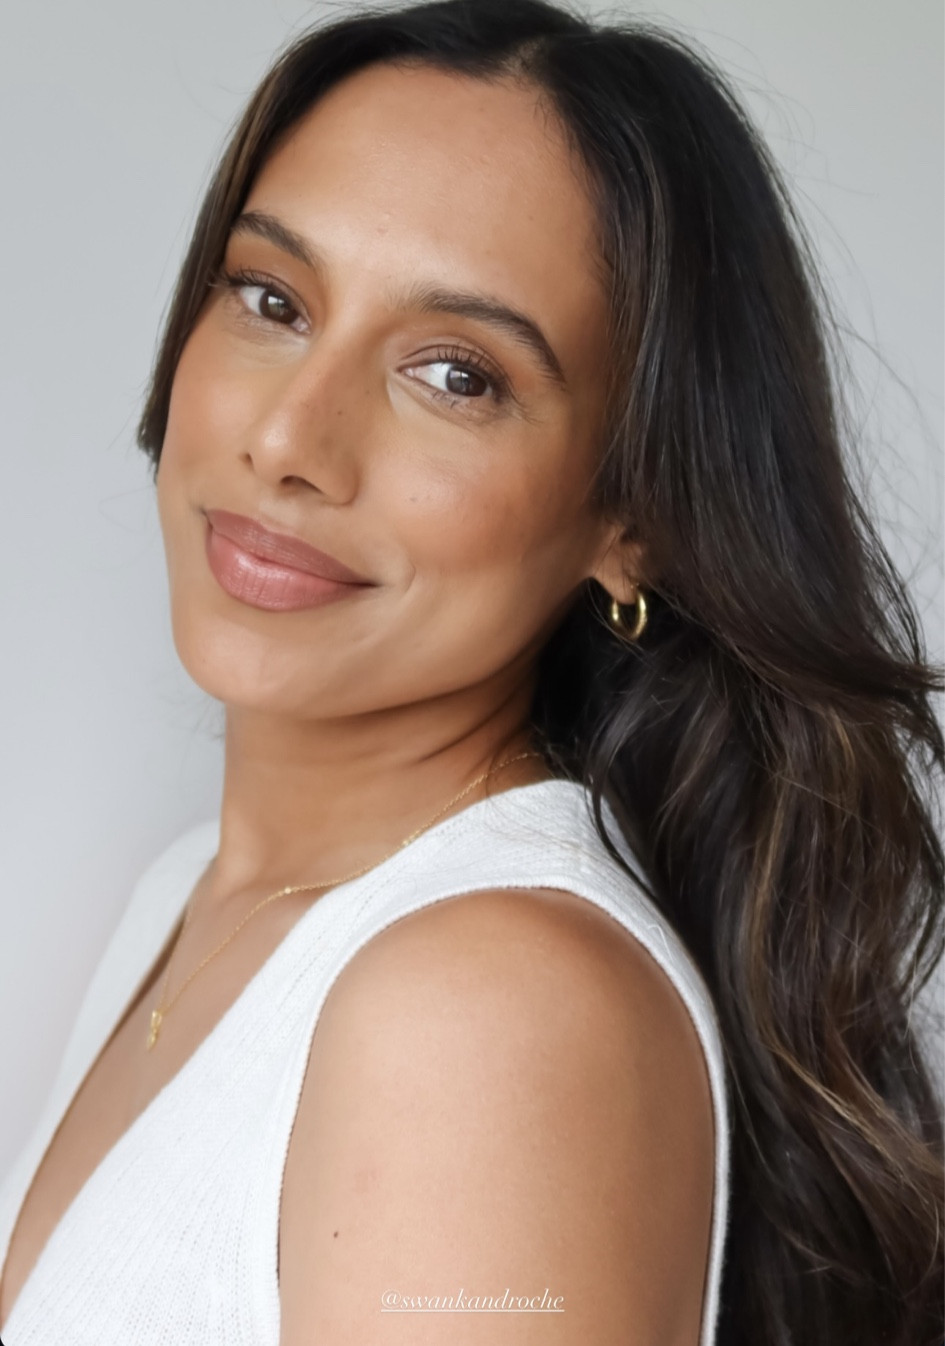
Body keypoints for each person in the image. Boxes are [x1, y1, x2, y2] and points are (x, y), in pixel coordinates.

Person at [0, 0, 941, 1342]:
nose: (289, 440)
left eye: (455, 375)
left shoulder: (487, 1008)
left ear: (633, 521)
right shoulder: (195, 891)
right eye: (272, 299)